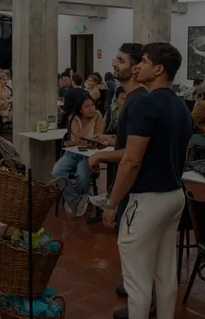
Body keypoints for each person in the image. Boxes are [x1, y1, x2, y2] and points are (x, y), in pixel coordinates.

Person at [102, 43, 191, 319]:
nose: (138, 66)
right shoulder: (181, 106)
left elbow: (131, 160)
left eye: (144, 62)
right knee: (165, 273)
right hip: (174, 195)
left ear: (159, 69)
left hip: (148, 200)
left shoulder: (145, 104)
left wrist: (112, 203)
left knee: (138, 283)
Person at [86, 43, 152, 319]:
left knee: (134, 247)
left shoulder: (138, 101)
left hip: (135, 187)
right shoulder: (131, 99)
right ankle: (135, 290)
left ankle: (140, 304)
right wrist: (110, 140)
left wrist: (102, 155)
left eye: (121, 60)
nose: (114, 63)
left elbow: (133, 155)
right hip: (130, 186)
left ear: (135, 68)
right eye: (115, 58)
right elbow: (129, 144)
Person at [52, 92, 104, 217]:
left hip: (89, 155)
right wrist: (92, 121)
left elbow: (98, 138)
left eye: (92, 105)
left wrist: (82, 142)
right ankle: (78, 201)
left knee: (82, 175)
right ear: (80, 109)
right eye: (87, 106)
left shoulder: (98, 115)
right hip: (72, 153)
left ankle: (77, 203)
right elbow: (80, 135)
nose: (91, 109)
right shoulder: (73, 118)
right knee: (56, 172)